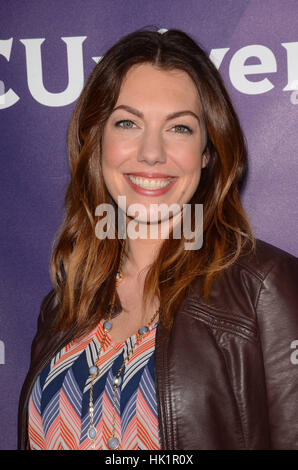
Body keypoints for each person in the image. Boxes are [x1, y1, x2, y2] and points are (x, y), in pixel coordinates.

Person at [18, 28, 298, 450]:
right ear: (97, 141)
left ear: (207, 152)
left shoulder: (265, 287)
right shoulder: (65, 304)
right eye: (127, 123)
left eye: (179, 128)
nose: (151, 153)